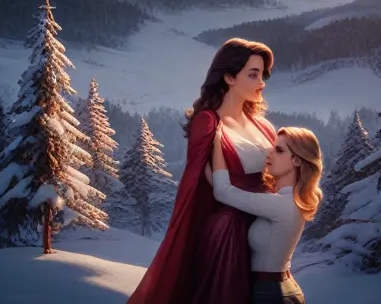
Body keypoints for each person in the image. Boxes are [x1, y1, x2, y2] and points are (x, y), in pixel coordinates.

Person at [126, 37, 275, 304]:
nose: (261, 82)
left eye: (262, 74)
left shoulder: (264, 126)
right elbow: (200, 186)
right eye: (253, 75)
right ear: (229, 77)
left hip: (265, 231)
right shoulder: (208, 122)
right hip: (230, 236)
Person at [212, 121, 322, 303]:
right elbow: (224, 189)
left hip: (270, 293)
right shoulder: (287, 200)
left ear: (296, 160)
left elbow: (223, 192)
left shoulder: (280, 204)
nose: (270, 153)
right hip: (281, 289)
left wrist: (217, 142)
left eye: (279, 150)